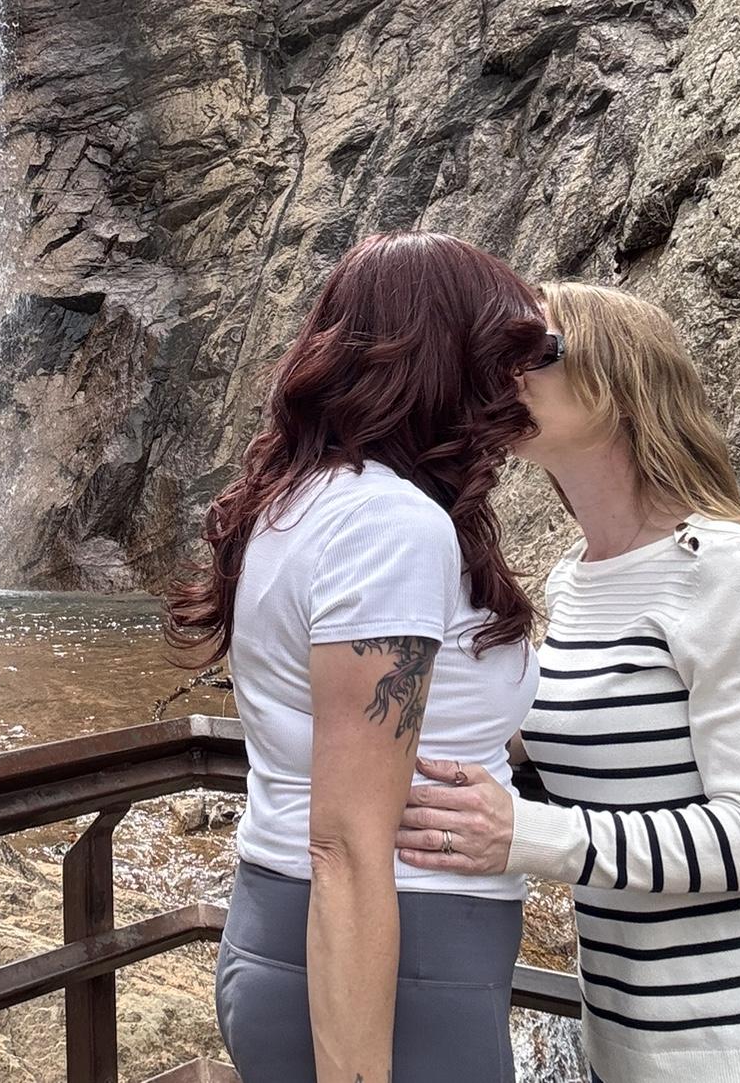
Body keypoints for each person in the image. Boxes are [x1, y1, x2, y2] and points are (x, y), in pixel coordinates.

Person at [394, 282, 740, 1083]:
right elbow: (596, 745)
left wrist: (523, 835)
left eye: (532, 352)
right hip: (620, 1043)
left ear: (619, 378)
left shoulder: (728, 568)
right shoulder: (574, 578)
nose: (502, 374)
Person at [165, 230, 560, 1083]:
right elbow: (346, 843)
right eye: (509, 352)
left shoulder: (295, 501)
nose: (520, 379)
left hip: (302, 930)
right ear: (450, 358)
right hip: (395, 955)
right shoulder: (389, 525)